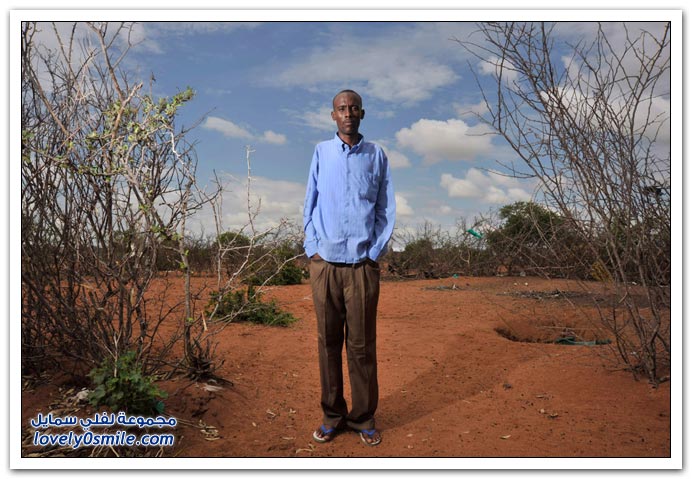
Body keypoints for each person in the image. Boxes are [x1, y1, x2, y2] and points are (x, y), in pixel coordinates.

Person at [302, 89, 396, 447]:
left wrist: (373, 253)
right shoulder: (321, 152)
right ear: (333, 115)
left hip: (361, 267)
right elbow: (309, 203)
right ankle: (332, 415)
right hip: (325, 265)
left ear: (362, 113)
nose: (348, 113)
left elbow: (385, 208)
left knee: (361, 346)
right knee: (327, 343)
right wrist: (312, 248)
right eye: (342, 108)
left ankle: (363, 418)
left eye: (354, 108)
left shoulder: (376, 155)